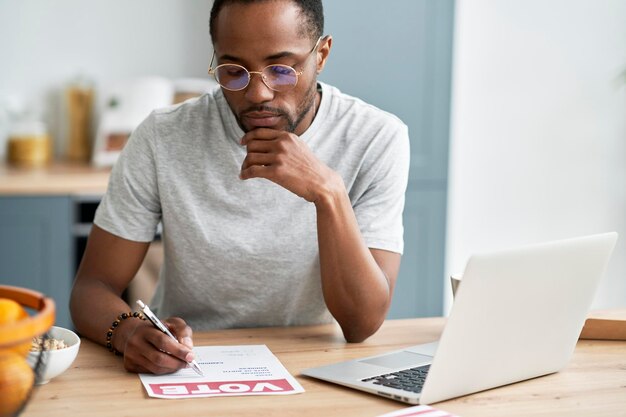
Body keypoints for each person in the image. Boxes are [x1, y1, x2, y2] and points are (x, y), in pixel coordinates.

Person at [70, 0, 410, 375]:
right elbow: (92, 288)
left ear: (322, 54)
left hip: (312, 367)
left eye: (281, 69)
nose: (258, 94)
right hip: (188, 365)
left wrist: (327, 191)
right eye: (234, 71)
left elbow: (361, 324)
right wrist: (128, 332)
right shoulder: (163, 136)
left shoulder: (376, 138)